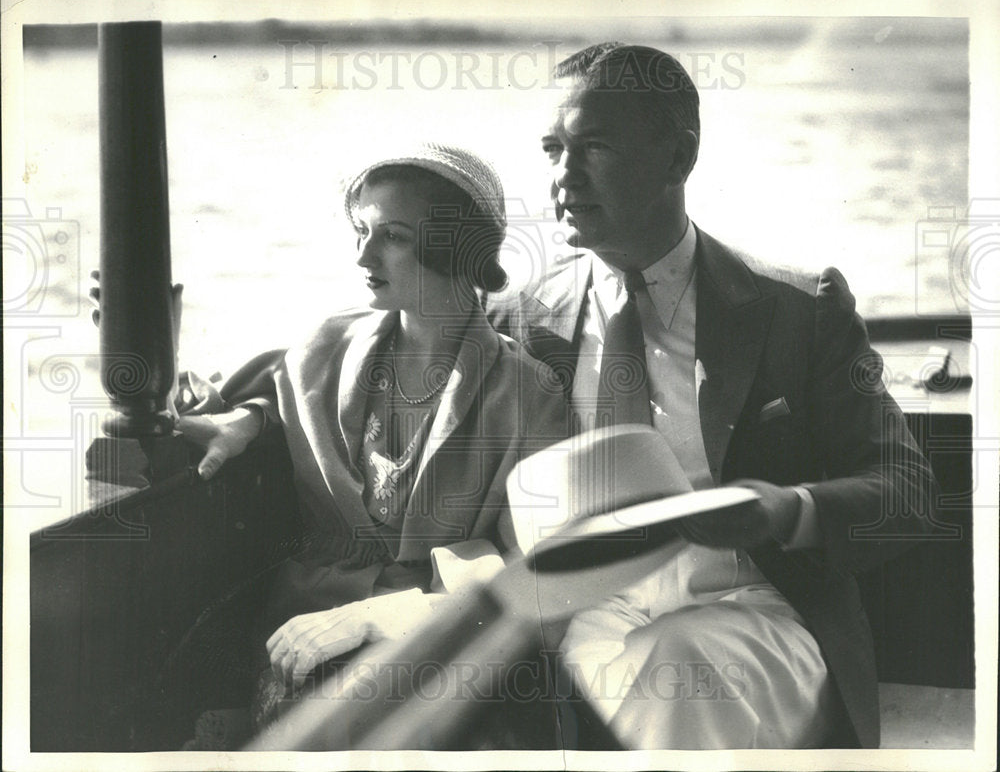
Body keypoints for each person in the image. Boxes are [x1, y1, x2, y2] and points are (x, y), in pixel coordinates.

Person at [485, 43, 937, 749]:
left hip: (756, 607)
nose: (562, 178)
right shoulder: (520, 319)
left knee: (674, 667)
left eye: (593, 147)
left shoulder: (800, 311)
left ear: (678, 158)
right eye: (551, 150)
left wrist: (785, 509)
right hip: (588, 620)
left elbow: (907, 493)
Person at [168, 143, 570, 742]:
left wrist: (378, 617)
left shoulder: (531, 395)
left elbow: (533, 576)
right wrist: (237, 411)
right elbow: (239, 401)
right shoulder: (322, 349)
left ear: (459, 248)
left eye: (394, 236)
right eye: (361, 230)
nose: (363, 254)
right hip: (296, 639)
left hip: (446, 643)